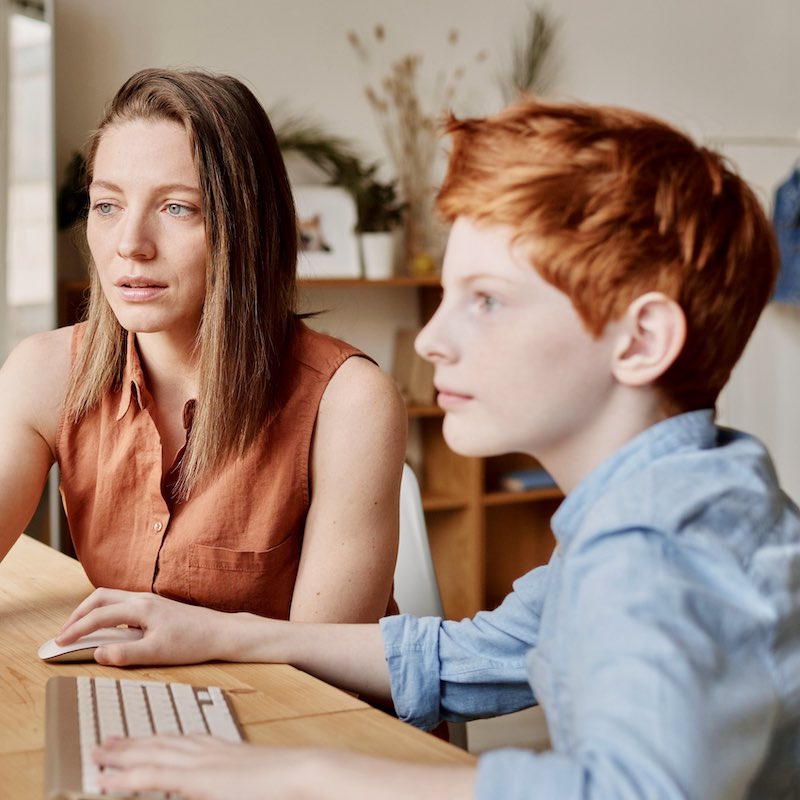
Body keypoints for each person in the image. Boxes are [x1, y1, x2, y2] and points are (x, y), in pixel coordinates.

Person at [59, 98, 800, 799]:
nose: (432, 340)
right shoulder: (676, 496)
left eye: (486, 300)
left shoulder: (656, 546)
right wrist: (224, 633)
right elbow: (469, 656)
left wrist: (307, 775)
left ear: (641, 341)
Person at [0, 67, 407, 623]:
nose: (130, 245)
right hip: (145, 701)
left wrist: (200, 636)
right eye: (107, 205)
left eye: (177, 208)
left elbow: (330, 668)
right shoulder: (44, 373)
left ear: (246, 227)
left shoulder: (350, 402)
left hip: (309, 709)